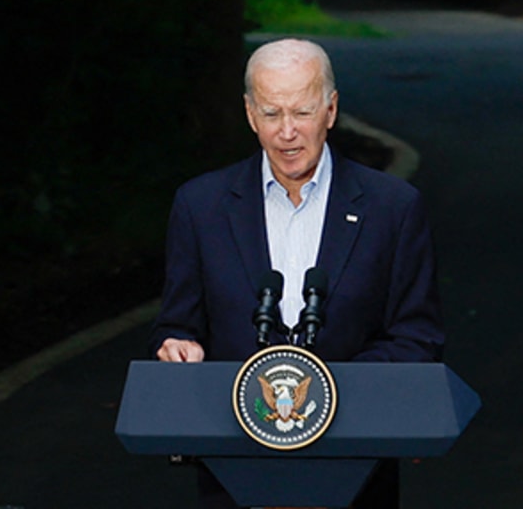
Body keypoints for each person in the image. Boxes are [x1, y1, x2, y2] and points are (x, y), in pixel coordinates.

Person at [152, 38, 443, 506]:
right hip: (234, 471)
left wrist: (324, 392)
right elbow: (176, 325)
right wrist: (178, 348)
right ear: (250, 114)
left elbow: (418, 337)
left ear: (331, 110)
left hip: (354, 473)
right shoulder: (200, 206)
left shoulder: (393, 208)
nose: (287, 132)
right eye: (271, 114)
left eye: (302, 113)